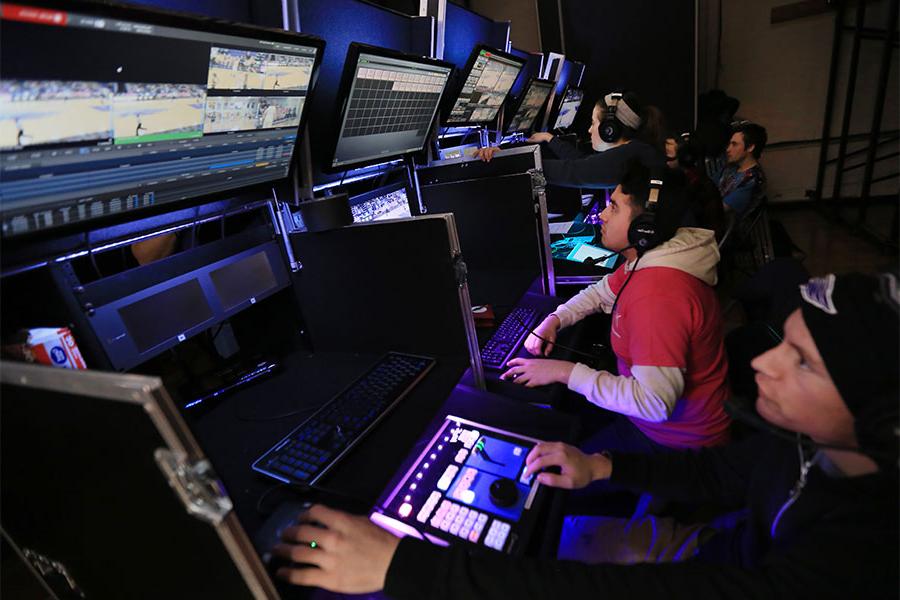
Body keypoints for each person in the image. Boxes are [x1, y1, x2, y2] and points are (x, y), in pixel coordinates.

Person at [270, 271, 899, 599]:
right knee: (557, 536)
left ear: (885, 424)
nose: (762, 363)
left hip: (720, 576)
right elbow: (721, 473)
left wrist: (408, 569)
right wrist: (604, 469)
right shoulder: (814, 443)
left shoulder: (861, 557)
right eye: (784, 344)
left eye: (803, 362)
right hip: (722, 551)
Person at [502, 159, 731, 453]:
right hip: (655, 420)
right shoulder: (659, 256)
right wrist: (556, 319)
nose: (602, 215)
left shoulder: (658, 296)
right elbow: (601, 292)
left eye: (614, 207)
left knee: (548, 454)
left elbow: (654, 403)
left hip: (675, 441)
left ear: (644, 228)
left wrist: (564, 372)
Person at [474, 92, 667, 188]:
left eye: (593, 123)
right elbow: (583, 163)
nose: (590, 129)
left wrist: (506, 158)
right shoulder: (636, 151)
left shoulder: (629, 158)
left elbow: (573, 171)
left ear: (610, 130)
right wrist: (550, 138)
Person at [716, 121, 767, 215]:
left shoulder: (752, 179)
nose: (728, 149)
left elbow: (722, 209)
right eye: (729, 144)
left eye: (734, 144)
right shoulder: (730, 168)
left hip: (726, 226)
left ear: (750, 147)